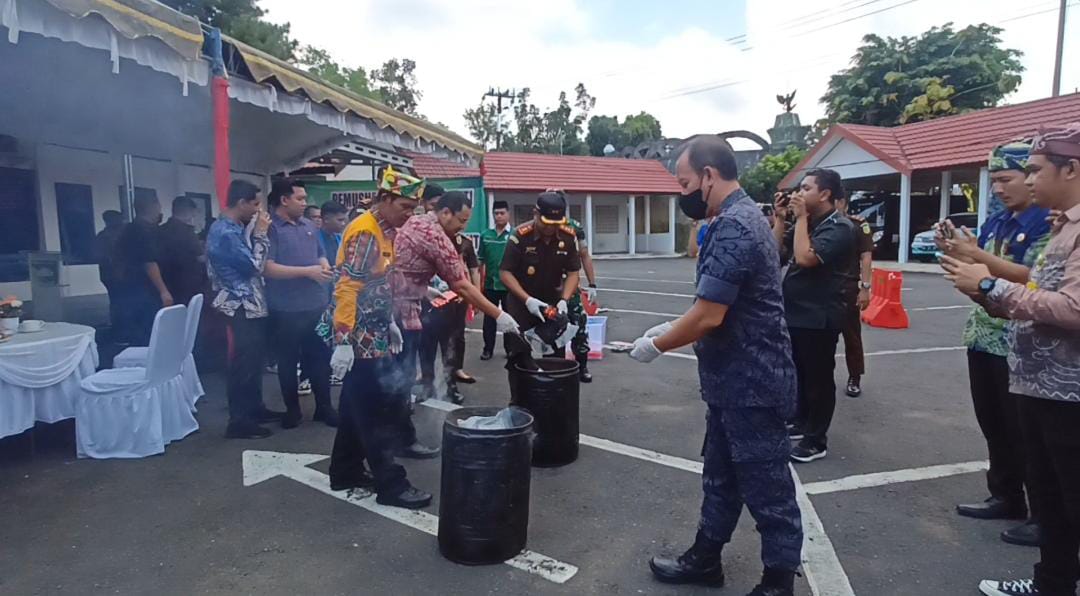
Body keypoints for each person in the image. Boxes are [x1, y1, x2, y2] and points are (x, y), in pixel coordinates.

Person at [627, 136, 802, 596]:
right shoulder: (734, 218)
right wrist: (671, 324)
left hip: (754, 381)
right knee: (720, 475)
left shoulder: (737, 226)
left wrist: (657, 345)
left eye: (684, 182)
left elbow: (709, 315)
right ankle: (705, 558)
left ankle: (779, 581)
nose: (681, 192)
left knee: (769, 487)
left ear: (708, 176)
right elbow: (713, 302)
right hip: (732, 380)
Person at [941, 123, 1080, 596]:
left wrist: (987, 282)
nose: (1024, 181)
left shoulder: (1066, 227)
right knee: (1049, 493)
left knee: (1068, 496)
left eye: (1034, 171)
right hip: (1034, 375)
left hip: (1069, 388)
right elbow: (1036, 290)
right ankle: (1051, 583)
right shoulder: (1062, 224)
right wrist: (979, 283)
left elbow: (1070, 306)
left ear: (1071, 169)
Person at [939, 139, 1050, 549]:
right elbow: (978, 268)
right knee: (994, 423)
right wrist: (954, 254)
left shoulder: (1048, 221)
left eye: (1006, 179)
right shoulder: (1000, 220)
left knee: (1029, 432)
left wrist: (978, 258)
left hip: (1021, 342)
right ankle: (1006, 494)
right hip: (985, 335)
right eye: (995, 181)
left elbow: (1035, 277)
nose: (998, 189)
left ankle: (1044, 515)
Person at [325, 168, 437, 508]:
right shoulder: (365, 232)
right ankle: (391, 484)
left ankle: (344, 469)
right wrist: (343, 339)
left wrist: (388, 319)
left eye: (414, 208)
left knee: (354, 404)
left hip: (373, 327)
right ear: (385, 199)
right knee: (373, 407)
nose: (410, 214)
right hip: (356, 332)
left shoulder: (387, 229)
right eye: (405, 206)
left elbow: (379, 281)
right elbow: (347, 286)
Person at [395, 190, 520, 406]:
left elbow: (406, 267)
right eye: (461, 221)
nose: (463, 226)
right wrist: (499, 315)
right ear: (445, 213)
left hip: (403, 300)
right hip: (400, 308)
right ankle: (397, 425)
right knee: (398, 373)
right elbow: (461, 285)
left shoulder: (417, 221)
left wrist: (423, 289)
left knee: (394, 370)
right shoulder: (437, 237)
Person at [772, 168, 855, 463]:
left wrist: (803, 218)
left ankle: (816, 439)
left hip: (819, 316)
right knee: (800, 374)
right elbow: (774, 253)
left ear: (825, 194)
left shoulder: (840, 227)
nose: (799, 193)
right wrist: (782, 218)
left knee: (819, 379)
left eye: (806, 188)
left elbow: (806, 259)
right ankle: (801, 420)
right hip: (795, 313)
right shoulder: (810, 224)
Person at [205, 180, 283, 439]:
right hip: (239, 304)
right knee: (244, 363)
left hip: (251, 303)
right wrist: (260, 234)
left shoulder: (235, 227)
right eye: (255, 204)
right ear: (241, 202)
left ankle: (254, 408)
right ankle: (239, 420)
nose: (258, 211)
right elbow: (254, 266)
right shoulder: (225, 232)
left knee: (253, 360)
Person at [262, 178, 338, 428]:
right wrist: (307, 272)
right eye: (300, 198)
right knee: (288, 361)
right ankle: (292, 410)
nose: (305, 203)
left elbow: (320, 254)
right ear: (284, 200)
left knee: (320, 358)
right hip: (286, 308)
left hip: (316, 304)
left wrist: (324, 266)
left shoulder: (308, 225)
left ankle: (324, 408)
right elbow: (267, 268)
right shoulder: (270, 228)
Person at [499, 192, 582, 364]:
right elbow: (505, 273)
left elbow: (573, 272)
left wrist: (564, 300)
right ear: (535, 213)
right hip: (521, 304)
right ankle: (521, 389)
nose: (551, 228)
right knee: (519, 354)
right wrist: (528, 300)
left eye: (556, 224)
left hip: (552, 304)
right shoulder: (520, 236)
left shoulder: (568, 236)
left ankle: (553, 389)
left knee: (556, 354)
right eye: (546, 223)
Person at [112, 194, 172, 345]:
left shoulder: (131, 229)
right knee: (148, 329)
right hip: (145, 288)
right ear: (152, 207)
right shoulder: (142, 231)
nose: (160, 209)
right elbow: (149, 262)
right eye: (158, 205)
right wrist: (163, 290)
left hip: (134, 287)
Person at [834, 194, 874, 398]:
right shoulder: (821, 225)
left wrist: (865, 288)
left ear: (842, 203)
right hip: (825, 289)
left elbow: (866, 257)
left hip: (848, 287)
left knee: (852, 336)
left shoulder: (857, 225)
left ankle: (854, 377)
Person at [565, 208, 598, 382]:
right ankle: (554, 367)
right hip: (546, 287)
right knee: (549, 330)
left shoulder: (574, 227)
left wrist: (592, 284)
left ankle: (582, 367)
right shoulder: (535, 227)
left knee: (578, 327)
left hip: (570, 287)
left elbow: (584, 254)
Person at [477, 200, 512, 360]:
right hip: (490, 285)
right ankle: (487, 349)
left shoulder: (514, 236)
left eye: (502, 213)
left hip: (509, 287)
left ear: (508, 214)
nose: (499, 216)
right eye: (496, 213)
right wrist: (477, 286)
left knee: (509, 319)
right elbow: (480, 262)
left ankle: (510, 349)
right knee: (489, 319)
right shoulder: (486, 236)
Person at [157, 196, 206, 307]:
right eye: (193, 212)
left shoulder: (160, 230)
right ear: (187, 211)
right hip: (188, 284)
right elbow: (200, 257)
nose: (193, 216)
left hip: (168, 283)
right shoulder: (187, 232)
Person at [94, 210, 125, 334]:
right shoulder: (110, 236)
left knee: (116, 301)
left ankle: (117, 326)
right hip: (115, 274)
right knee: (120, 301)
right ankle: (119, 327)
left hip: (110, 275)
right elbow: (99, 255)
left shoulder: (102, 235)